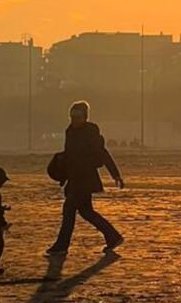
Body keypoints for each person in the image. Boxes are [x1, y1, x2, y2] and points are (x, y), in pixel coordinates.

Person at [46, 101, 125, 255]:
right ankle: (113, 236)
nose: (74, 119)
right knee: (86, 212)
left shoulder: (91, 133)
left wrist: (115, 175)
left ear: (85, 117)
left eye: (78, 116)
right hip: (74, 179)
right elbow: (70, 156)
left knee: (69, 210)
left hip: (85, 179)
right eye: (72, 116)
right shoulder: (69, 131)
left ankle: (62, 246)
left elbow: (103, 154)